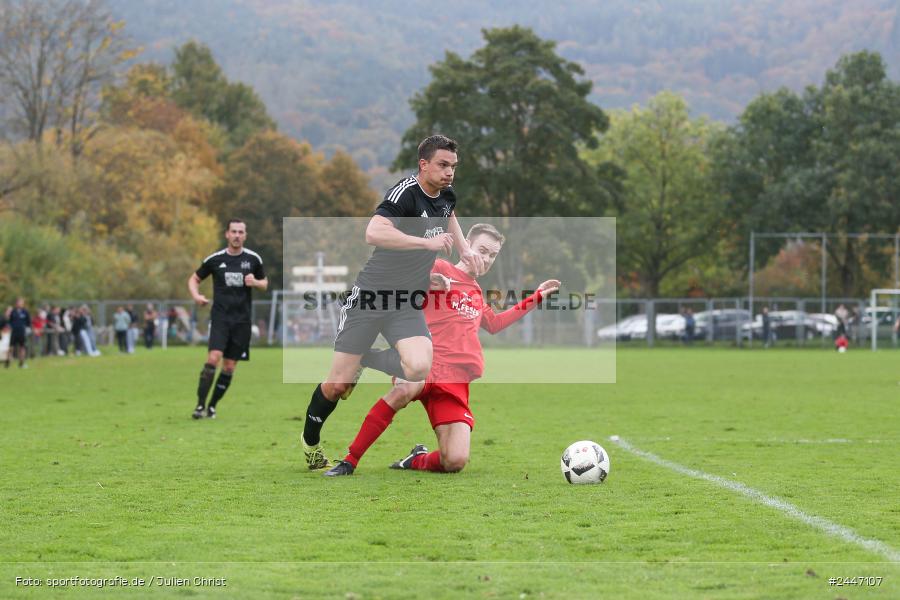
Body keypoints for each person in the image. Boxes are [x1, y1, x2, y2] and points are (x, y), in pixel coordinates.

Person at [300, 135, 484, 470]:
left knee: (418, 367)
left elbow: (449, 214)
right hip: (370, 298)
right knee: (337, 385)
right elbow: (374, 232)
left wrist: (464, 248)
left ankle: (365, 358)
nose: (449, 173)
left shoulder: (446, 195)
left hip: (405, 302)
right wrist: (425, 245)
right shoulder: (405, 193)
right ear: (423, 164)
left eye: (454, 166)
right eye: (443, 165)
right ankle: (310, 441)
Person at [324, 223, 559, 476]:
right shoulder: (438, 268)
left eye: (492, 255)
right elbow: (398, 284)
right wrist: (426, 280)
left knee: (455, 460)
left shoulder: (476, 293)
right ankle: (350, 460)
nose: (486, 259)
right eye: (482, 250)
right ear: (466, 245)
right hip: (425, 363)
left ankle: (415, 460)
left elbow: (494, 324)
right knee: (404, 389)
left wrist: (536, 297)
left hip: (455, 380)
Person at [188, 219, 267, 419]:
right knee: (213, 358)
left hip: (242, 322)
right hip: (220, 319)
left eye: (240, 232)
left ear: (245, 235)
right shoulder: (215, 259)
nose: (237, 235)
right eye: (234, 231)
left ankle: (212, 406)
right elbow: (194, 279)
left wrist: (255, 282)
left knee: (229, 366)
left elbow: (264, 284)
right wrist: (196, 296)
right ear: (227, 234)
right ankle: (199, 405)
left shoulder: (253, 259)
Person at [5, 298, 31, 368]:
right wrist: (9, 326)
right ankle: (7, 362)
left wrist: (28, 329)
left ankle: (21, 363)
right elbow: (9, 321)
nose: (20, 304)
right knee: (11, 347)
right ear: (16, 303)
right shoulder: (13, 311)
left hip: (22, 332)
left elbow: (28, 322)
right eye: (18, 302)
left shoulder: (25, 312)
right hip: (14, 332)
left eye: (21, 302)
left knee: (22, 347)